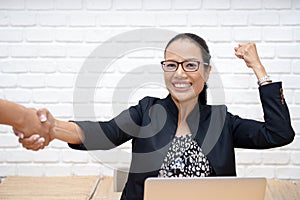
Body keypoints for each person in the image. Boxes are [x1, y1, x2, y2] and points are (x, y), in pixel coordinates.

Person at [18, 33, 295, 200]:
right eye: (171, 64)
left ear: (207, 72)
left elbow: (279, 133)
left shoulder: (222, 121)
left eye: (190, 65)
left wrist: (258, 68)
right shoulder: (146, 112)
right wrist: (52, 128)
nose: (179, 73)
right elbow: (102, 133)